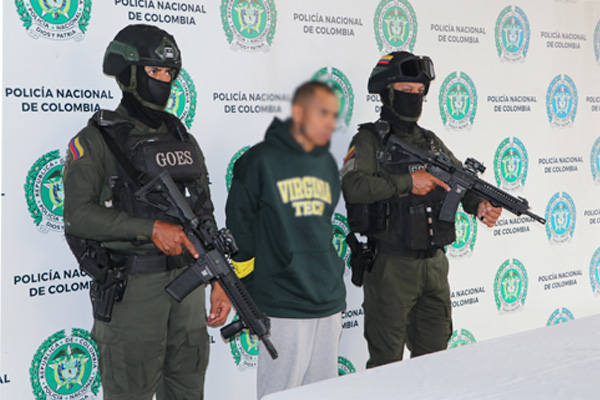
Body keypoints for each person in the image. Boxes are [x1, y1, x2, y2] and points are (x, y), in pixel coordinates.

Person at [63, 24, 231, 400]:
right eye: (155, 71)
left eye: (170, 73)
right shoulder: (97, 139)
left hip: (189, 285)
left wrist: (219, 279)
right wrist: (150, 229)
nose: (164, 81)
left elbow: (204, 214)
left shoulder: (183, 139)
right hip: (134, 291)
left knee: (188, 390)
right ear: (129, 75)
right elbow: (78, 215)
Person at [341, 51, 502, 368]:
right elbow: (353, 186)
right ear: (387, 92)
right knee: (387, 364)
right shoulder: (369, 140)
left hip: (435, 266)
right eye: (406, 90)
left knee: (435, 361)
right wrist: (407, 182)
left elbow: (461, 182)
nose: (414, 97)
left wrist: (479, 205)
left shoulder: (430, 141)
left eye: (419, 92)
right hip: (392, 266)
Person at [225, 81, 347, 399]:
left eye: (333, 115)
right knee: (280, 393)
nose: (330, 123)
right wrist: (249, 287)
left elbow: (321, 226)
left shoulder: (326, 163)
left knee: (324, 392)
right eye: (322, 113)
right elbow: (239, 231)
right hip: (283, 301)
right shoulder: (259, 161)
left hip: (329, 299)